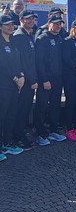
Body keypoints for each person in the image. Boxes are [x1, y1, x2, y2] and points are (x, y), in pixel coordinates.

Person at [35, 15, 66, 146]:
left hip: (58, 78)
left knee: (55, 105)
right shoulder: (42, 39)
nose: (58, 26)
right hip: (46, 79)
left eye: (60, 24)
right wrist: (44, 79)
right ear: (49, 24)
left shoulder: (59, 38)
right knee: (41, 106)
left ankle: (53, 130)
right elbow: (39, 62)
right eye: (55, 23)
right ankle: (40, 133)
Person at [12, 10, 38, 150]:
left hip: (30, 81)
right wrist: (32, 80)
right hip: (25, 82)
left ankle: (20, 133)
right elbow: (23, 63)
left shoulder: (29, 35)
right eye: (27, 19)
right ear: (21, 20)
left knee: (25, 109)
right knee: (21, 110)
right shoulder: (20, 36)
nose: (31, 21)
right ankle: (18, 137)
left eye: (32, 19)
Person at [0, 15, 24, 161]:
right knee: (1, 115)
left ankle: (7, 143)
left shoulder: (14, 41)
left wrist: (21, 75)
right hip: (3, 84)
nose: (11, 27)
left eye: (12, 24)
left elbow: (19, 61)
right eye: (7, 24)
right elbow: (2, 65)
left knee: (11, 114)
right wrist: (15, 78)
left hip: (15, 85)